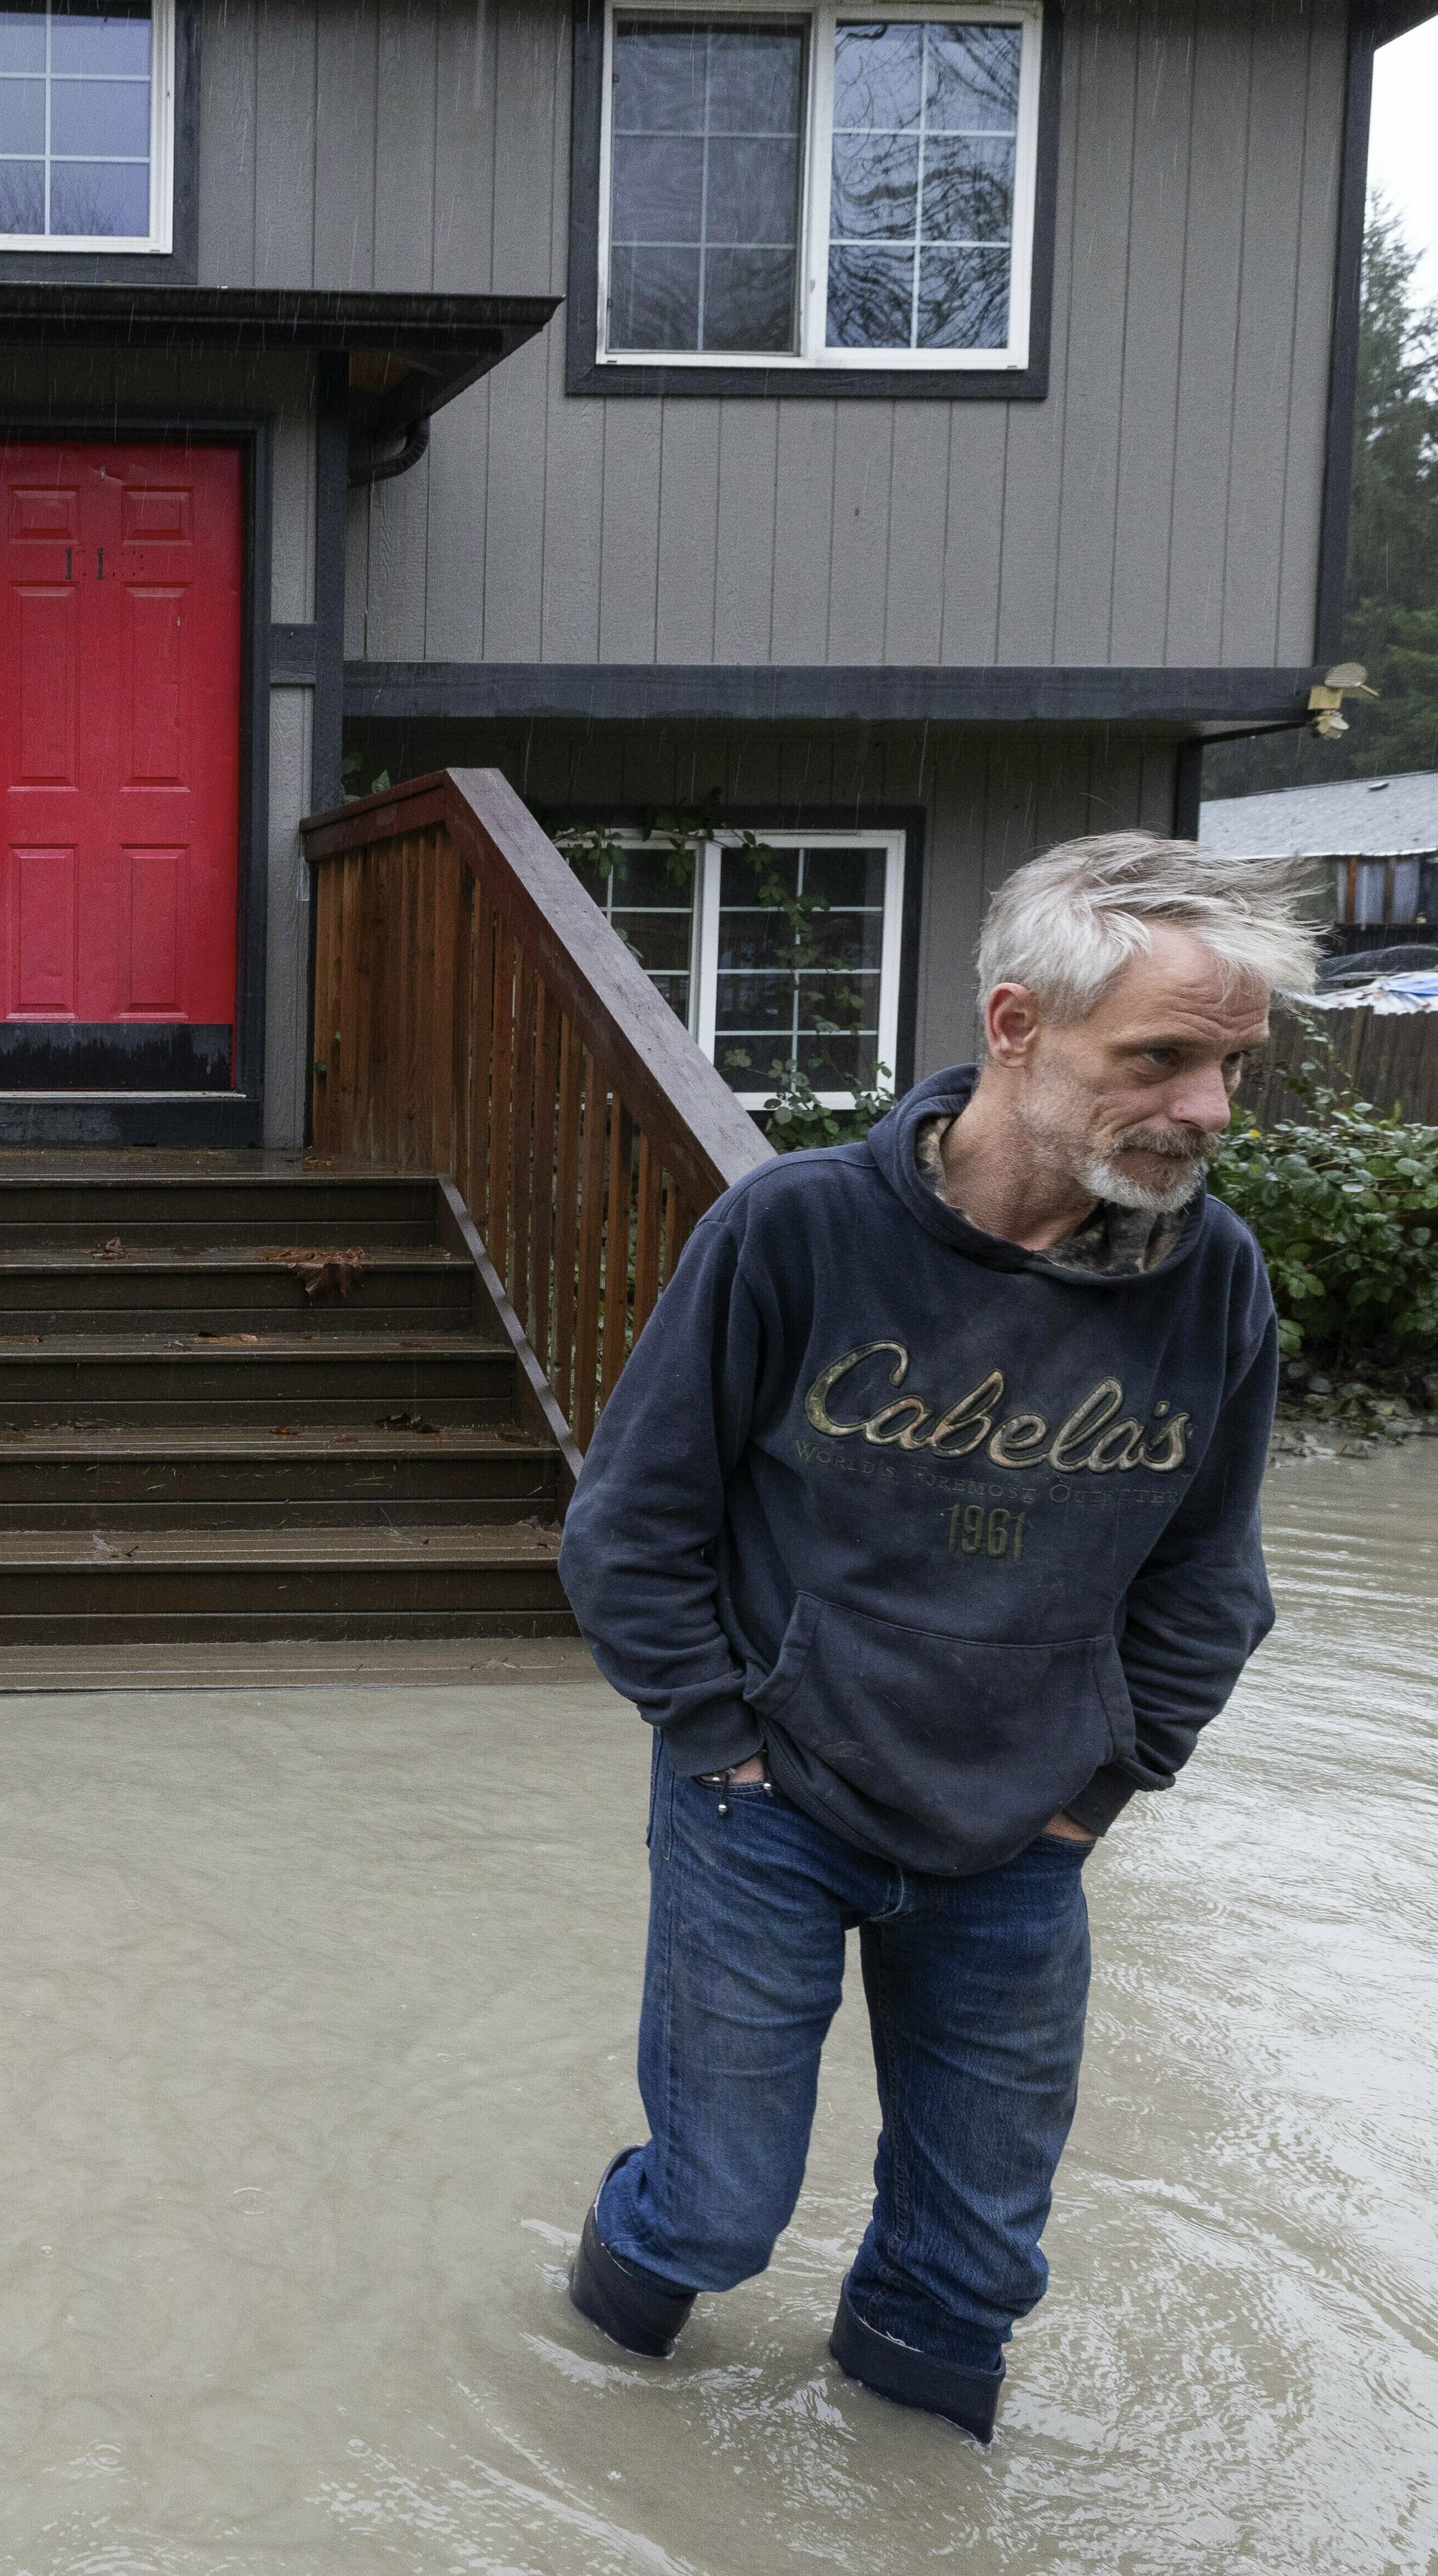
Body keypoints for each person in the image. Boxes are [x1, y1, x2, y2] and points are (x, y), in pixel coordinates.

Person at [554, 832, 1317, 2443]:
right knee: (716, 2212)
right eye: (1164, 1059)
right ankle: (581, 2402)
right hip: (767, 1806)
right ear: (1018, 1025)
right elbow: (632, 1525)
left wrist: (1094, 1792)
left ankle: (909, 2558)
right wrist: (725, 1743)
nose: (1211, 1110)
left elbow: (1211, 1578)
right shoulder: (797, 1231)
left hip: (1020, 1838)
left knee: (973, 2263)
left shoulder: (1216, 1279)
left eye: (1235, 1064)